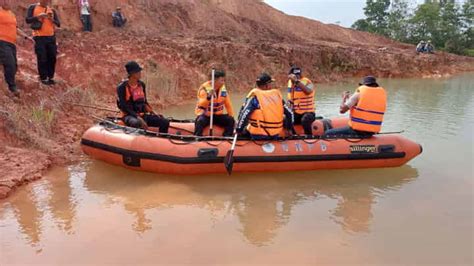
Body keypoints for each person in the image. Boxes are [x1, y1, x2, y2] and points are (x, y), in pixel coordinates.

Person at [236, 73, 294, 140]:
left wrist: (238, 130)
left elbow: (244, 115)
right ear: (266, 85)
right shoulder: (277, 97)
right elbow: (290, 113)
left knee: (245, 128)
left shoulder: (255, 99)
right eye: (270, 84)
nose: (271, 86)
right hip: (275, 134)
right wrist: (289, 129)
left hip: (258, 135)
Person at [116, 61, 170, 133]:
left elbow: (144, 102)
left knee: (164, 122)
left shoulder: (141, 85)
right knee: (136, 123)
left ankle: (162, 139)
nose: (140, 73)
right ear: (132, 73)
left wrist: (152, 112)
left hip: (142, 115)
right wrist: (137, 117)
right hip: (129, 116)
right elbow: (124, 107)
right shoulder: (122, 87)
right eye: (138, 71)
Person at [25, 0, 60, 86]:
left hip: (51, 37)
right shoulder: (32, 7)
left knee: (52, 57)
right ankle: (43, 78)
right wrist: (38, 17)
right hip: (39, 37)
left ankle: (50, 77)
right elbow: (27, 20)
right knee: (42, 57)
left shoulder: (52, 10)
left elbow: (58, 24)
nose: (46, 2)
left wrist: (52, 20)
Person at [194, 70, 235, 136]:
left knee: (230, 120)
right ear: (215, 80)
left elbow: (228, 105)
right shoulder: (204, 89)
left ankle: (227, 137)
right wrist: (208, 97)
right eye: (221, 80)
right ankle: (197, 138)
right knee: (200, 122)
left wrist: (231, 116)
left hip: (217, 115)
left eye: (224, 80)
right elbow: (201, 104)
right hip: (206, 115)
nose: (223, 82)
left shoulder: (223, 90)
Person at [287, 66, 316, 135]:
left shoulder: (308, 81)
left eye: (298, 74)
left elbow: (308, 91)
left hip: (308, 112)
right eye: (295, 75)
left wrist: (297, 81)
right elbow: (290, 97)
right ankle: (293, 136)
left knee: (305, 120)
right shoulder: (290, 83)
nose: (298, 76)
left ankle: (309, 138)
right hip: (296, 112)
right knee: (287, 119)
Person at [0, 0, 20, 97]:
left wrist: (26, 37)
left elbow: (16, 28)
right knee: (10, 64)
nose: (5, 2)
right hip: (2, 42)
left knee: (14, 66)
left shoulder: (12, 14)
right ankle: (12, 87)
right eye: (3, 0)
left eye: (7, 0)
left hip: (12, 43)